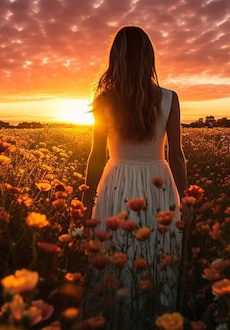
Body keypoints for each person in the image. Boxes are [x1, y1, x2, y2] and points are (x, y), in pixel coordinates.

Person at [81, 26, 188, 329]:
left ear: (116, 59)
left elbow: (96, 156)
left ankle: (113, 318)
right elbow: (176, 155)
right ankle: (155, 317)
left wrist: (85, 203)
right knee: (157, 255)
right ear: (149, 59)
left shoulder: (105, 100)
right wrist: (187, 199)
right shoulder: (169, 98)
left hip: (115, 183)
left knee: (116, 253)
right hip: (160, 183)